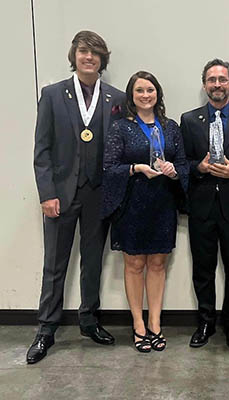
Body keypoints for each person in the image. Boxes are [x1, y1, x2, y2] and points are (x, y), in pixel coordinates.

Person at [28, 31, 125, 364]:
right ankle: (46, 330)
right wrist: (47, 194)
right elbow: (42, 150)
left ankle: (88, 320)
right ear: (75, 55)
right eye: (84, 51)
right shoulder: (53, 95)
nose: (89, 57)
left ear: (102, 59)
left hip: (98, 193)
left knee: (93, 261)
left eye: (96, 53)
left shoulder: (116, 97)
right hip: (61, 195)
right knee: (55, 265)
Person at [102, 71, 188, 352]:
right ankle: (138, 325)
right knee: (135, 265)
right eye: (139, 91)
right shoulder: (120, 128)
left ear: (158, 94)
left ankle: (155, 324)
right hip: (132, 204)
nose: (145, 95)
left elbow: (183, 163)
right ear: (132, 95)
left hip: (162, 203)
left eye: (150, 90)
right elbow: (109, 167)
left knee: (158, 265)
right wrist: (136, 168)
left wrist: (174, 171)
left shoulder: (171, 127)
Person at [180, 59, 229, 349]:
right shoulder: (189, 120)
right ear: (204, 85)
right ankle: (205, 322)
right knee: (203, 268)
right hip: (201, 205)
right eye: (211, 79)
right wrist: (198, 167)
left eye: (222, 79)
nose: (217, 84)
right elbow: (183, 162)